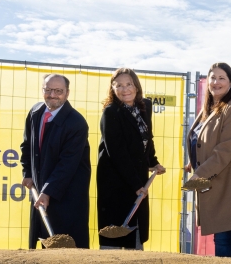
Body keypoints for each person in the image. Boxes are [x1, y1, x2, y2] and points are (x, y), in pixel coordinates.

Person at [185, 63, 231, 257]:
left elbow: (226, 149)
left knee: (224, 236)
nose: (216, 82)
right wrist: (194, 162)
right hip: (216, 178)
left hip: (229, 181)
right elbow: (204, 141)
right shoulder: (209, 108)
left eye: (221, 78)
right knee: (222, 235)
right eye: (212, 78)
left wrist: (199, 174)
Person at [97, 68, 166, 249]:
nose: (124, 89)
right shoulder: (111, 112)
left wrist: (152, 161)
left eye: (129, 84)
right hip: (115, 179)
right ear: (112, 88)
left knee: (136, 224)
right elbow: (117, 153)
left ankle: (134, 260)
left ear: (136, 86)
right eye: (119, 85)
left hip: (136, 175)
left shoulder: (144, 106)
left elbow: (147, 137)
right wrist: (136, 185)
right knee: (116, 225)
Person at [20, 74, 91, 249]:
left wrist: (48, 191)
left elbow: (67, 164)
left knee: (66, 241)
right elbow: (27, 145)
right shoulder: (35, 112)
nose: (53, 95)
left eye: (58, 91)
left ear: (67, 93)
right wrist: (27, 173)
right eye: (48, 90)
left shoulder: (77, 123)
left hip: (68, 191)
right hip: (42, 186)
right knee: (42, 237)